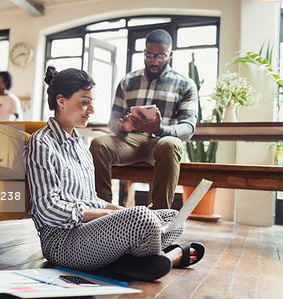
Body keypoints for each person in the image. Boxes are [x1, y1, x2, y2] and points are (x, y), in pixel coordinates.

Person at [25, 66, 204, 282]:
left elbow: (92, 200)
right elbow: (47, 209)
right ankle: (160, 256)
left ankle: (133, 260)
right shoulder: (41, 143)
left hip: (91, 233)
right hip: (63, 243)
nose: (91, 110)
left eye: (91, 102)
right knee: (142, 218)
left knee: (173, 217)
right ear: (61, 101)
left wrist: (123, 211)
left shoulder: (81, 145)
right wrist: (116, 216)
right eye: (84, 102)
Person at [89, 29, 198, 209]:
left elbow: (188, 127)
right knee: (99, 144)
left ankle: (160, 214)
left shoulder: (185, 84)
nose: (154, 61)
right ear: (144, 52)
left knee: (170, 144)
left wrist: (160, 129)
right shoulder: (127, 81)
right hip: (131, 141)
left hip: (163, 141)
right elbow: (113, 119)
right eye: (149, 55)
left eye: (161, 56)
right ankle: (103, 208)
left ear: (170, 54)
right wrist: (123, 126)